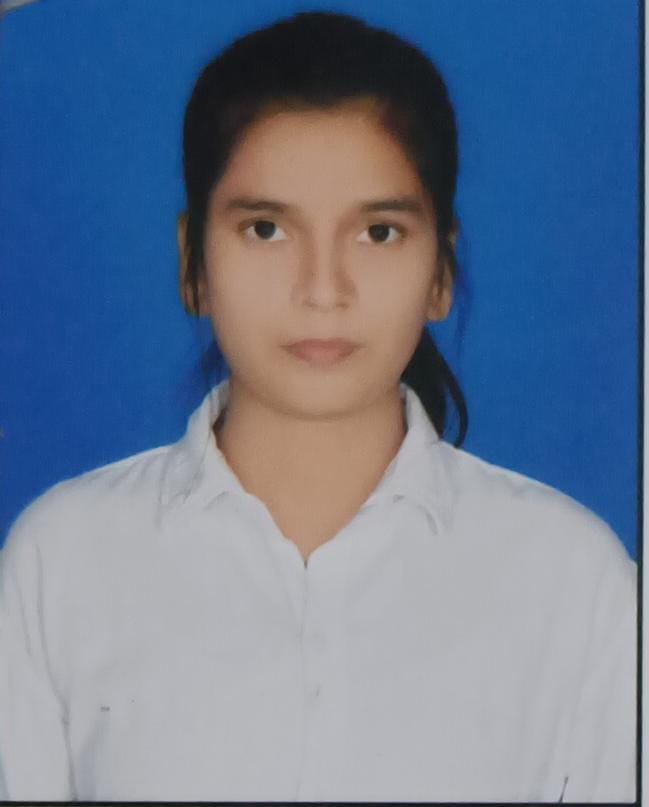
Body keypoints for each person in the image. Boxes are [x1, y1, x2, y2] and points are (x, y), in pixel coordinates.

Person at [0, 10, 636, 803]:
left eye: (378, 232)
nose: (322, 289)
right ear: (192, 263)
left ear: (440, 272)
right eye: (266, 228)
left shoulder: (575, 584)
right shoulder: (60, 563)